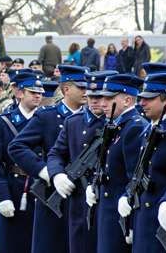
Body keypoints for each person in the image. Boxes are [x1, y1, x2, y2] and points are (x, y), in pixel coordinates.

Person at [9, 65, 90, 253]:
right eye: (81, 87)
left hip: (83, 195)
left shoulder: (92, 118)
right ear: (66, 89)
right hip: (53, 193)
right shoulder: (48, 116)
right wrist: (47, 171)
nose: (86, 92)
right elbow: (17, 147)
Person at [47, 71, 116, 253]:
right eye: (91, 95)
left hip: (109, 199)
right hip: (79, 202)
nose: (94, 100)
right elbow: (56, 153)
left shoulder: (119, 124)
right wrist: (57, 175)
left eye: (99, 96)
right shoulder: (74, 122)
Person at [118, 64, 166, 253]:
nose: (142, 103)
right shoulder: (152, 131)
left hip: (163, 227)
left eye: (149, 99)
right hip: (144, 225)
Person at [85, 74, 147, 253]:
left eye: (109, 98)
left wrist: (132, 223)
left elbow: (133, 179)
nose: (103, 103)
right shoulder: (117, 124)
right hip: (108, 214)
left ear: (127, 100)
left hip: (121, 217)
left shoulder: (133, 127)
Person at [0, 72, 46, 253]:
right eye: (32, 92)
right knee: (11, 244)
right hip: (13, 187)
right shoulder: (3, 122)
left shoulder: (48, 119)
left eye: (40, 92)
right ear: (20, 94)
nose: (38, 95)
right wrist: (2, 196)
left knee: (40, 242)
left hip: (42, 186)